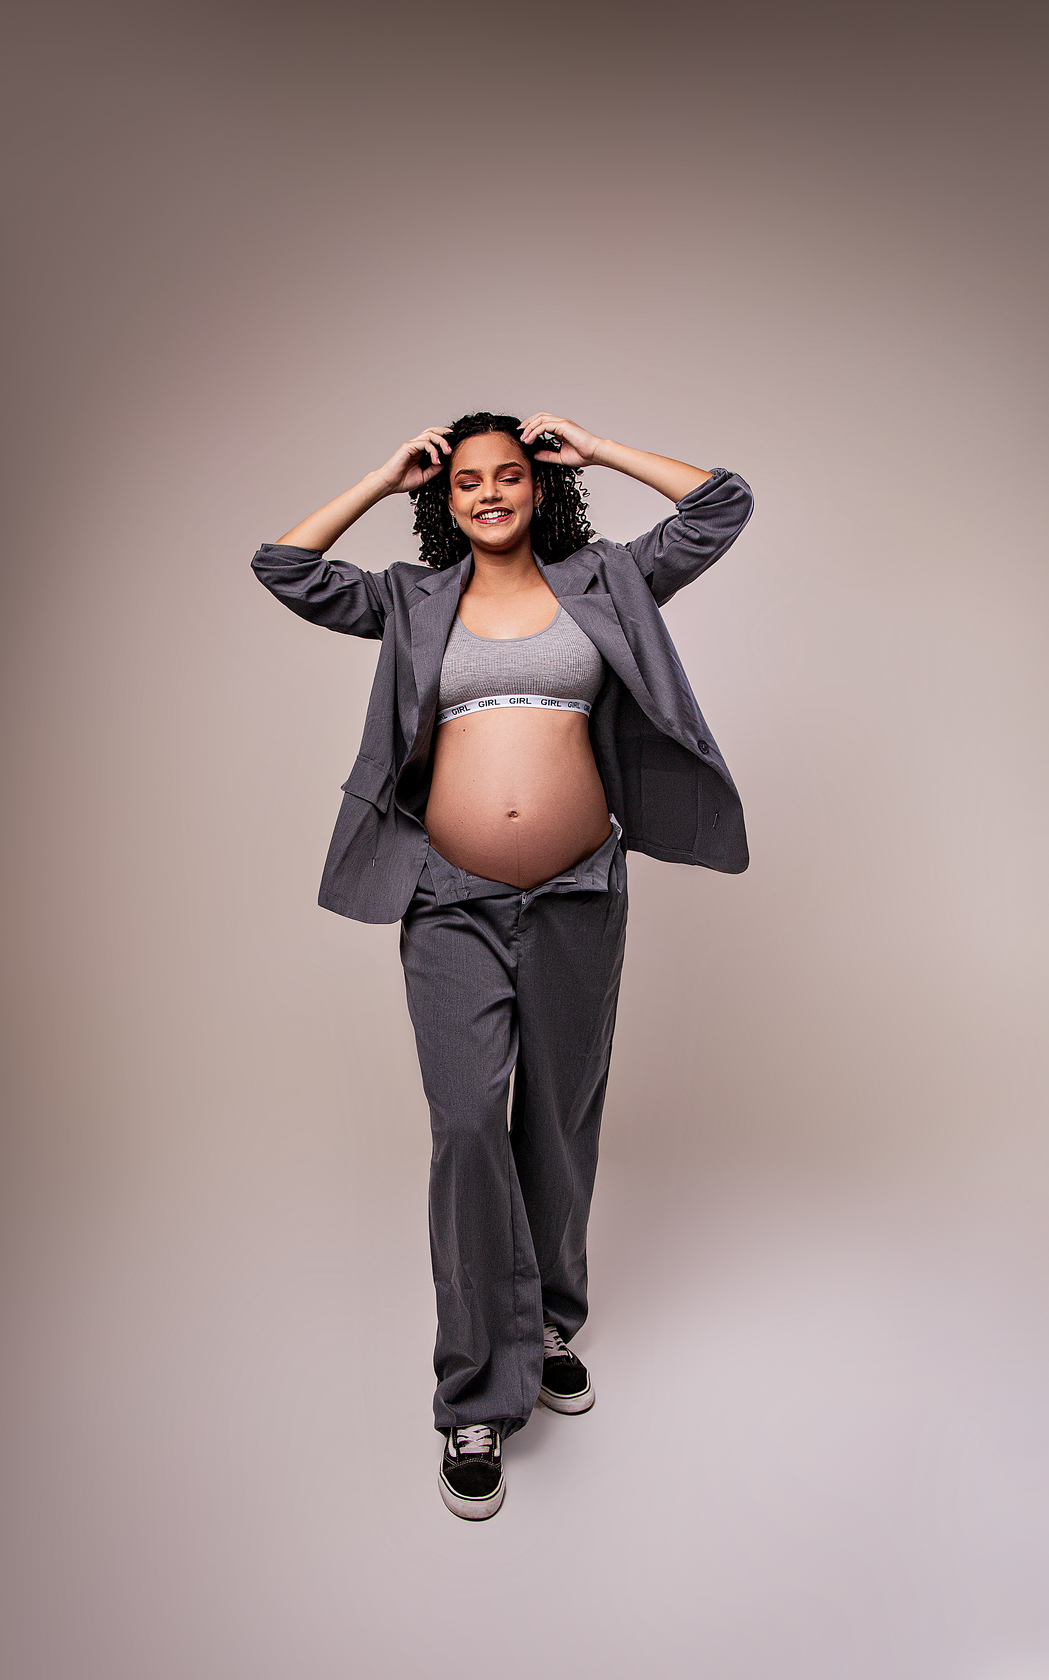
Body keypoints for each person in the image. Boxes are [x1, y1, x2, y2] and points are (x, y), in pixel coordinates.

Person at [251, 411, 753, 1519]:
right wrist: (381, 477)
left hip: (578, 891)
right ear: (446, 499)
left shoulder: (606, 579)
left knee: (559, 1119)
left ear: (539, 486)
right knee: (472, 1120)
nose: (488, 493)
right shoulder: (411, 599)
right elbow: (284, 568)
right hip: (450, 899)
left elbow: (722, 504)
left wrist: (605, 449)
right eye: (467, 480)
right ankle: (477, 1391)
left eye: (510, 475)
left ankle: (547, 1325)